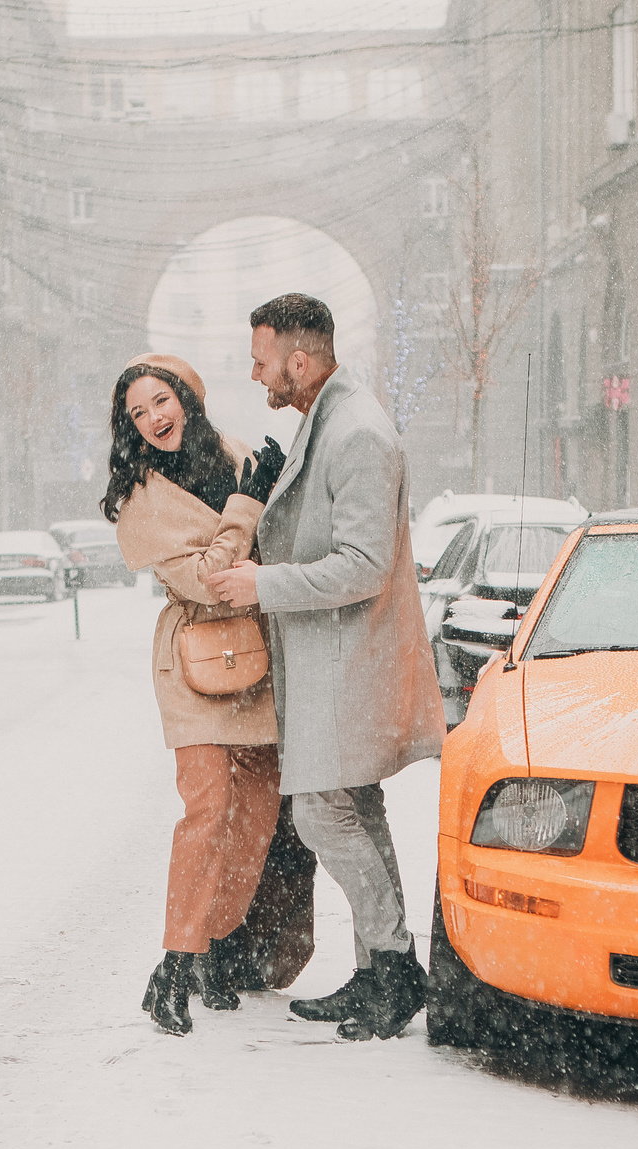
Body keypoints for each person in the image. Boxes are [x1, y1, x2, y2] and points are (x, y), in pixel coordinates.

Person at [204, 293, 443, 1041]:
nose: (255, 372)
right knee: (358, 813)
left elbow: (364, 566)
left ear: (298, 360)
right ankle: (376, 972)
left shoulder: (358, 431)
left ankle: (399, 966)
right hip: (331, 663)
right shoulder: (332, 419)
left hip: (347, 664)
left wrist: (260, 583)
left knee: (318, 812)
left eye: (261, 358)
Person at [103, 353, 288, 1036]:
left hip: (259, 657)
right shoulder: (143, 500)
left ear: (186, 397)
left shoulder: (237, 454)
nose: (153, 418)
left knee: (257, 817)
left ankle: (214, 942)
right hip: (193, 661)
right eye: (136, 413)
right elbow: (209, 580)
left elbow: (267, 552)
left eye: (160, 400)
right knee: (207, 811)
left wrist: (278, 489)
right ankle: (173, 968)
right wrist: (248, 504)